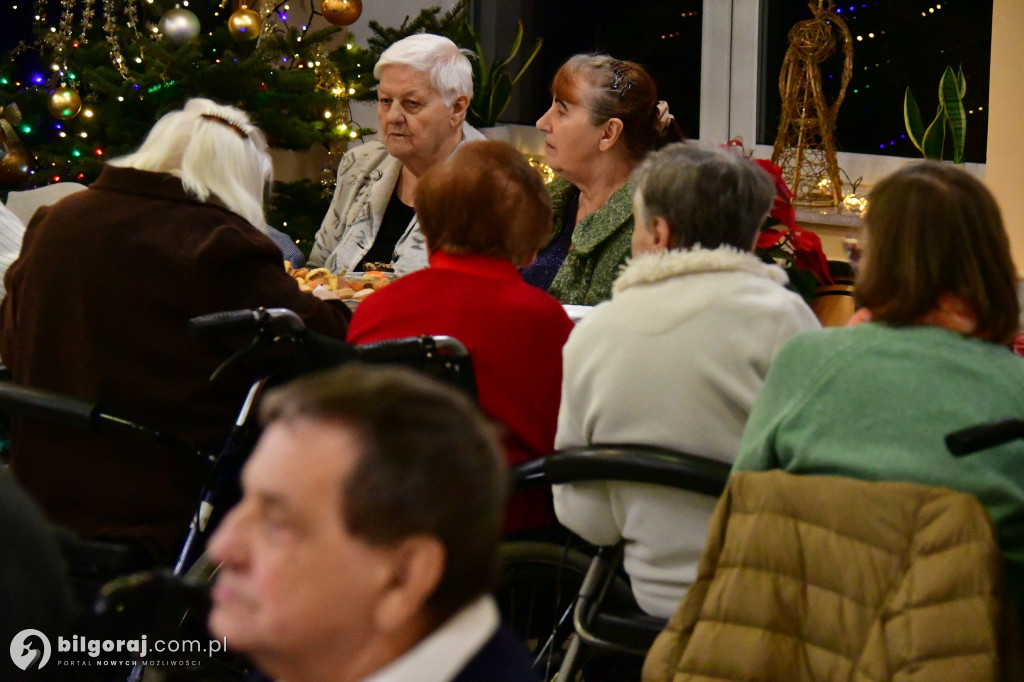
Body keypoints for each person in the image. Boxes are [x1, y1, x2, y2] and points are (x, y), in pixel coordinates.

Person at [0, 98, 351, 563]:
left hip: (38, 502)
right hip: (164, 507)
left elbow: (12, 343)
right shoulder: (218, 242)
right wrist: (327, 304)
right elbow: (323, 343)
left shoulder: (57, 220)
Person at [734, 161, 1024, 618]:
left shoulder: (805, 360)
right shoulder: (1015, 391)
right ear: (991, 266)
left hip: (801, 629)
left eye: (857, 253)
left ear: (876, 264)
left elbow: (741, 508)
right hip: (964, 638)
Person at [553, 142, 820, 618]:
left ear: (658, 233)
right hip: (763, 595)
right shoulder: (783, 320)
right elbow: (818, 472)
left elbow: (585, 515)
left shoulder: (593, 334)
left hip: (639, 599)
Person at [207, 364, 538, 682]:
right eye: (244, 501)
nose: (221, 548)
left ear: (403, 576)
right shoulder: (303, 663)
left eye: (277, 524)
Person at [347, 140, 574, 533]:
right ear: (529, 249)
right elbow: (564, 438)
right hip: (500, 527)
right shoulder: (542, 320)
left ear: (429, 230)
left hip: (390, 518)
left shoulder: (373, 310)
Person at [308, 33, 484, 276]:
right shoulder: (360, 164)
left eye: (412, 103)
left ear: (457, 108)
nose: (392, 116)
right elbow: (316, 269)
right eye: (385, 100)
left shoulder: (489, 186)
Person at [521, 54, 684, 305]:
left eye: (561, 111)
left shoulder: (649, 228)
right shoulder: (548, 203)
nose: (542, 123)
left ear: (608, 133)